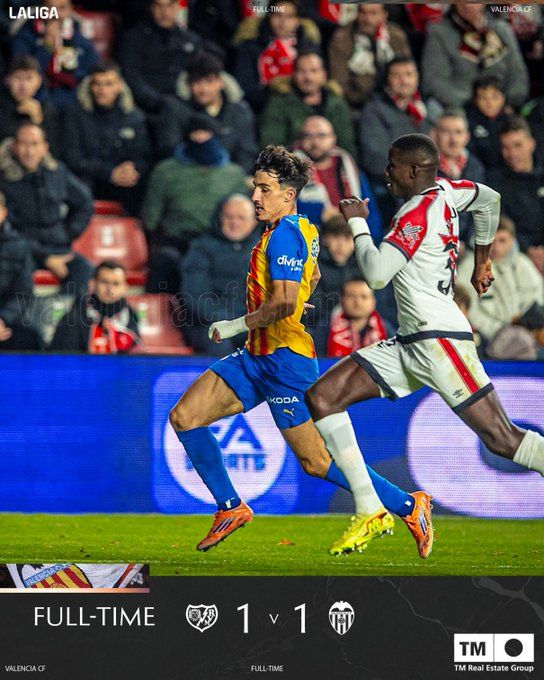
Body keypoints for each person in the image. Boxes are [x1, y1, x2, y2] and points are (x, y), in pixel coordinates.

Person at [168, 145, 433, 557]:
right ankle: (230, 507)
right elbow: (314, 274)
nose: (255, 196)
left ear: (288, 194)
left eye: (264, 189)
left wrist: (235, 324)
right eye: (256, 187)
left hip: (285, 363)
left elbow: (281, 304)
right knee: (185, 417)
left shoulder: (285, 234)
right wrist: (296, 296)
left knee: (316, 462)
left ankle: (407, 505)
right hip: (255, 357)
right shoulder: (300, 228)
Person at [305, 133, 544, 554]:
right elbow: (490, 200)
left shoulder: (414, 213)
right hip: (410, 342)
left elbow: (377, 274)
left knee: (502, 439)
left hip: (440, 342)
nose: (387, 173)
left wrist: (358, 222)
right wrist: (482, 259)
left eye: (393, 165)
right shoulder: (449, 191)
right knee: (323, 397)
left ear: (413, 170)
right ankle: (370, 509)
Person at [141, 113, 248, 293]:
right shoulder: (165, 171)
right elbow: (150, 218)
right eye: (195, 133)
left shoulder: (234, 174)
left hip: (217, 244)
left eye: (205, 133)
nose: (200, 139)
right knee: (165, 262)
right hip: (177, 243)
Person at [0, 122, 93, 296]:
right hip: (22, 250)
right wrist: (45, 258)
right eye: (23, 144)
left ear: (45, 147)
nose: (29, 151)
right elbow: (7, 228)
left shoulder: (57, 172)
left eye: (35, 144)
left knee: (84, 269)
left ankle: (64, 311)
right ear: (13, 147)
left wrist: (69, 232)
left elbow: (85, 202)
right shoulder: (4, 179)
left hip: (59, 247)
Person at [62, 61, 151, 215]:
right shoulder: (75, 114)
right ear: (90, 86)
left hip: (123, 182)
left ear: (119, 86)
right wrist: (109, 173)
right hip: (90, 180)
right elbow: (73, 158)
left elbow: (144, 156)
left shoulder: (134, 117)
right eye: (97, 84)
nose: (102, 90)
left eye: (109, 84)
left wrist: (133, 170)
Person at [181, 194, 261, 356]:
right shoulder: (201, 248)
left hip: (253, 323)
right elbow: (195, 297)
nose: (235, 223)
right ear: (219, 218)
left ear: (254, 221)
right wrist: (233, 323)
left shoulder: (264, 248)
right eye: (228, 217)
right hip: (211, 323)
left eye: (241, 218)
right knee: (220, 347)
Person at [456, 215, 544, 358]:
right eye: (491, 241)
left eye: (502, 240)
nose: (496, 247)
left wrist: (525, 326)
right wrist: (498, 332)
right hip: (486, 339)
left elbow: (536, 299)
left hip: (526, 335)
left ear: (512, 240)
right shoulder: (469, 267)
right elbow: (468, 309)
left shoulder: (523, 264)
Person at [156, 51, 257, 171]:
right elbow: (169, 149)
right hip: (187, 175)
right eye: (197, 82)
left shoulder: (239, 110)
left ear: (220, 82)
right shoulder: (175, 108)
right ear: (189, 84)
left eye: (209, 81)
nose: (203, 89)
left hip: (229, 176)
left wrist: (235, 176)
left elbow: (247, 152)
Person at [421, 3, 529, 110]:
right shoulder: (439, 33)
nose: (467, 5)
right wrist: (471, 107)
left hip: (503, 108)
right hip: (459, 109)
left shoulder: (501, 29)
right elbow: (435, 82)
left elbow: (518, 75)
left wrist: (506, 104)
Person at [294, 116, 382, 238]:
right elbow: (286, 208)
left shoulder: (349, 167)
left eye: (321, 136)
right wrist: (319, 212)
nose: (315, 142)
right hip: (313, 236)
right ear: (300, 140)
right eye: (308, 136)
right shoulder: (291, 171)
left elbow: (370, 209)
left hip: (352, 236)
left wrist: (370, 241)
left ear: (333, 138)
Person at [259, 51, 357, 158]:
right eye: (302, 71)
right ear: (294, 75)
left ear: (324, 74)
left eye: (314, 71)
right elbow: (271, 145)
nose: (308, 77)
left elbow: (347, 144)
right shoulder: (280, 103)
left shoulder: (336, 105)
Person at [233, 0, 320, 110]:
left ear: (298, 20)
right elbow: (247, 88)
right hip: (263, 107)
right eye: (278, 15)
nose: (283, 22)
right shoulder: (249, 48)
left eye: (289, 16)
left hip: (304, 106)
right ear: (269, 16)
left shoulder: (308, 48)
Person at [118, 0, 201, 114]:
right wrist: (158, 102)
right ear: (151, 8)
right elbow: (132, 77)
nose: (165, 12)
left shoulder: (191, 40)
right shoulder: (133, 39)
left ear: (178, 6)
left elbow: (199, 75)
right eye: (159, 6)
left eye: (170, 5)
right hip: (147, 107)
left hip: (186, 105)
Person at [11, 0, 99, 107]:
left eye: (62, 8)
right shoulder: (25, 35)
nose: (56, 14)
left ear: (70, 9)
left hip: (75, 99)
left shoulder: (80, 34)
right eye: (51, 8)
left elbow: (94, 69)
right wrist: (46, 46)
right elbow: (22, 72)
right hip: (37, 98)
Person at [359, 57, 431, 182]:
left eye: (409, 74)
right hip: (393, 183)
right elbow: (375, 160)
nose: (404, 81)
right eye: (397, 76)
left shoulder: (426, 108)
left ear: (418, 77)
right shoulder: (374, 111)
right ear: (387, 79)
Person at [327, 3, 411, 109]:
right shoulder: (342, 38)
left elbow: (408, 70)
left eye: (373, 13)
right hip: (357, 105)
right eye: (363, 12)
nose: (367, 19)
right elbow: (339, 82)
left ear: (384, 15)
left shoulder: (396, 37)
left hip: (394, 102)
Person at [487, 117, 544, 273]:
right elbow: (500, 224)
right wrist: (529, 251)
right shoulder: (494, 183)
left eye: (518, 145)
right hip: (514, 255)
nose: (512, 153)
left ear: (531, 143)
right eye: (506, 147)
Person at [50, 260, 140, 353]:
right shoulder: (72, 320)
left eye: (116, 283)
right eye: (104, 282)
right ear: (92, 284)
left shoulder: (131, 317)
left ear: (125, 288)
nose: (110, 288)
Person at [433, 110, 486, 242]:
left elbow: (480, 211)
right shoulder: (423, 167)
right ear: (434, 134)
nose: (453, 140)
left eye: (458, 132)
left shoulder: (475, 168)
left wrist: (466, 242)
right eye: (446, 132)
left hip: (465, 244)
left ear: (467, 136)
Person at [0, 192, 42, 351]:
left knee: (31, 337)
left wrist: (3, 319)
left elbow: (23, 292)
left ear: (4, 212)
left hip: (5, 320)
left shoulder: (18, 246)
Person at [0, 55, 60, 153]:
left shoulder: (48, 109)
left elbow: (54, 150)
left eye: (29, 78)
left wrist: (37, 120)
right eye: (17, 78)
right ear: (8, 80)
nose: (23, 85)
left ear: (39, 81)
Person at [327, 279, 392, 358]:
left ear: (373, 301)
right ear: (341, 300)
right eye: (351, 296)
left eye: (364, 297)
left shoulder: (385, 328)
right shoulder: (326, 328)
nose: (358, 302)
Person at [465, 75, 510, 169]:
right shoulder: (466, 122)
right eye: (483, 97)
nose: (489, 103)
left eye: (495, 97)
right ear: (475, 99)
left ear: (503, 98)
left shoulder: (511, 121)